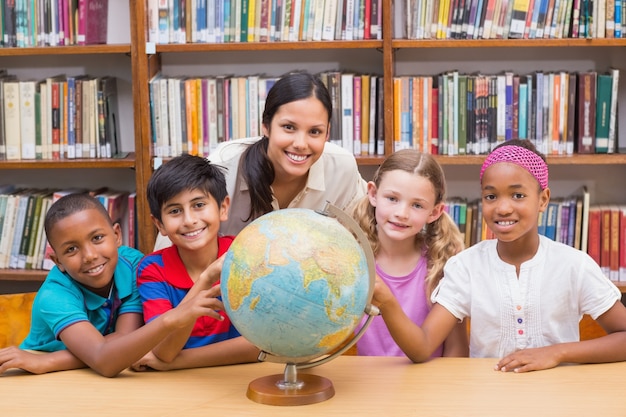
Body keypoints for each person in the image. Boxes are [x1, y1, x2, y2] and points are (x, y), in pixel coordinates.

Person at [381, 139, 626, 372]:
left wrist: (557, 352)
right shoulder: (466, 267)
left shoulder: (574, 265)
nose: (503, 208)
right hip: (486, 400)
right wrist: (387, 301)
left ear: (543, 200)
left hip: (558, 399)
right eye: (491, 196)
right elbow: (423, 346)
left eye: (518, 195)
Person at [0, 193, 224, 377]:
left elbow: (124, 340)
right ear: (57, 261)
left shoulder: (134, 264)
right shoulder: (54, 295)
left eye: (97, 238)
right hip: (47, 379)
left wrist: (53, 360)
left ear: (117, 235)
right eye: (71, 249)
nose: (89, 256)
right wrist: (46, 362)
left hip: (93, 369)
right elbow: (105, 361)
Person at [155, 70, 367, 249]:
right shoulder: (223, 168)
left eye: (315, 131)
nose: (301, 143)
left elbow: (366, 236)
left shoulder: (342, 168)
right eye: (289, 127)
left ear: (327, 133)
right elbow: (173, 243)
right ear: (265, 126)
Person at [131, 154, 259, 372]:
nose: (189, 220)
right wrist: (206, 278)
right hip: (175, 389)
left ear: (223, 208)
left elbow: (262, 345)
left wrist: (178, 362)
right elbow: (164, 350)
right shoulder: (152, 269)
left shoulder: (246, 254)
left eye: (199, 205)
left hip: (240, 378)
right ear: (159, 224)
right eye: (174, 211)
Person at [352, 149, 468, 358]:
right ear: (373, 194)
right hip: (366, 385)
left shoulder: (442, 264)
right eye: (392, 198)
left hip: (425, 387)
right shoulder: (351, 260)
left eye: (416, 205)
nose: (401, 214)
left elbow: (456, 350)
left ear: (434, 212)